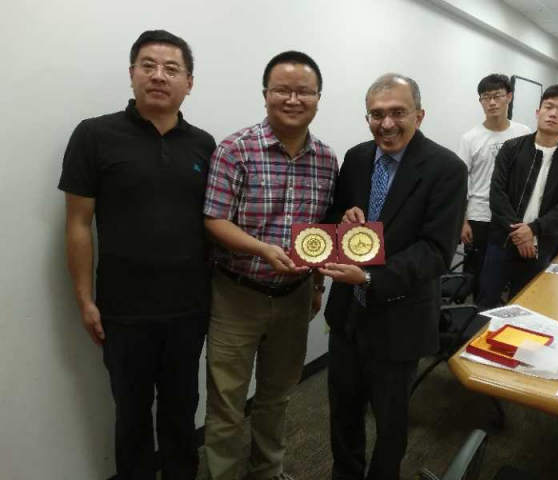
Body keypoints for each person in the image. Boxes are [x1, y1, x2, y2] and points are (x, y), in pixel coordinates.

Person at [58, 30, 216, 480]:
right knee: (131, 415)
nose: (159, 76)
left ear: (189, 82)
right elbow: (77, 224)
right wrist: (85, 299)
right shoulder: (94, 135)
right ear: (132, 74)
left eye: (172, 69)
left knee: (182, 409)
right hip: (123, 310)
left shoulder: (205, 145)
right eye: (148, 66)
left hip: (189, 308)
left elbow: (215, 223)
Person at [320, 73, 467, 480]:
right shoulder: (356, 158)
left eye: (398, 112)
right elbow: (334, 216)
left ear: (419, 115)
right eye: (376, 114)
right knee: (343, 411)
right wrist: (342, 219)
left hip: (401, 317)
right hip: (347, 315)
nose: (386, 124)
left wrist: (370, 279)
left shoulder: (446, 169)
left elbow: (436, 251)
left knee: (390, 421)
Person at [203, 51, 338, 480]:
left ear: (318, 98)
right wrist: (262, 250)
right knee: (226, 403)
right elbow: (214, 220)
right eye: (282, 90)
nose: (293, 99)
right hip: (237, 295)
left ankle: (267, 469)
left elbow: (321, 232)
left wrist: (317, 287)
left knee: (277, 396)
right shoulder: (235, 149)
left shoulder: (326, 158)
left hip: (295, 297)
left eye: (304, 92)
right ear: (266, 94)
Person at [477, 84, 558, 310]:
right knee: (487, 301)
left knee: (525, 303)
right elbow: (497, 194)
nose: (553, 113)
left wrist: (533, 230)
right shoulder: (512, 148)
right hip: (503, 238)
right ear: (538, 112)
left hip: (541, 242)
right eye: (548, 107)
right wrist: (521, 234)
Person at [458, 74, 530, 297]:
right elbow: (459, 182)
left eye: (497, 96)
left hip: (514, 216)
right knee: (479, 276)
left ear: (509, 97)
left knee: (513, 273)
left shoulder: (524, 133)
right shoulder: (470, 138)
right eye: (485, 97)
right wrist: (462, 221)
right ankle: (477, 316)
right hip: (480, 216)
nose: (492, 102)